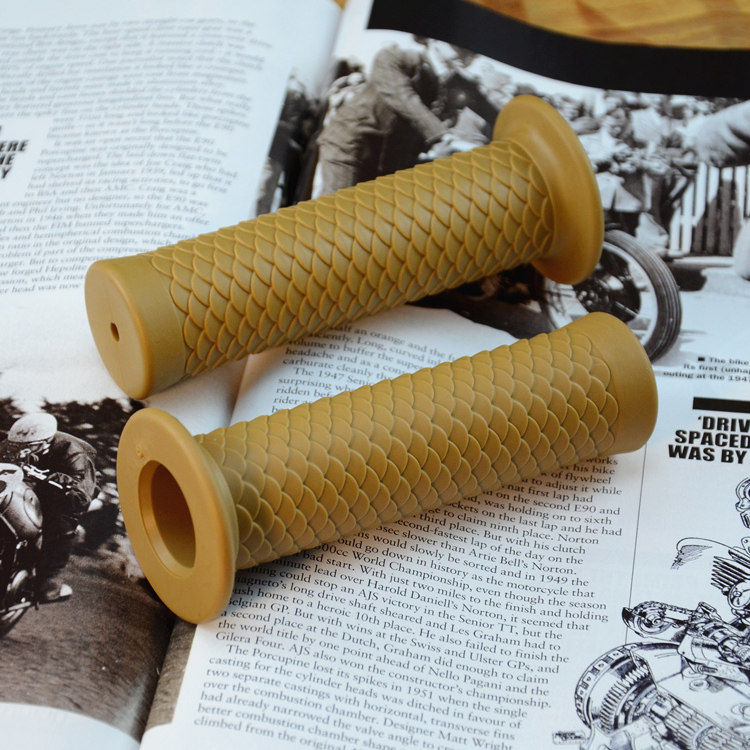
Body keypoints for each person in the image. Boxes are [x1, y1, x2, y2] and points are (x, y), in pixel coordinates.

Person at [0, 413, 98, 602]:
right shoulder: (12, 442)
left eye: (29, 447)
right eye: (16, 447)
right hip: (29, 479)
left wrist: (54, 478)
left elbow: (80, 496)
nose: (21, 451)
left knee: (62, 520)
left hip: (74, 483)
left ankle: (49, 581)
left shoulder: (74, 453)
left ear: (46, 442)